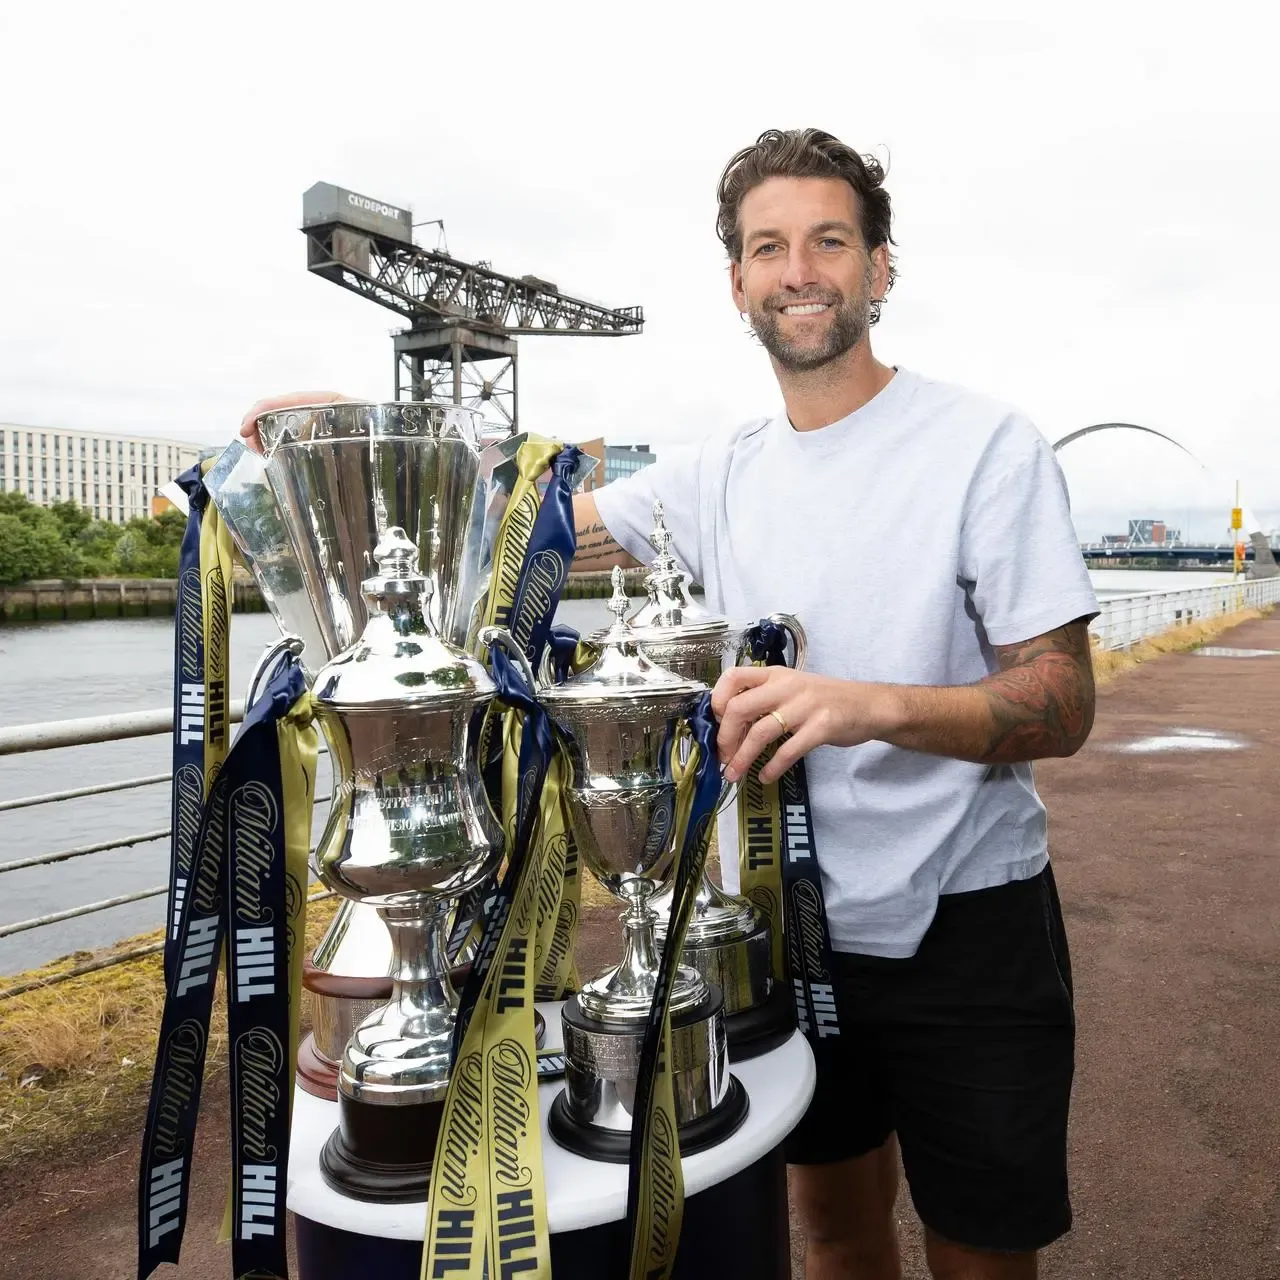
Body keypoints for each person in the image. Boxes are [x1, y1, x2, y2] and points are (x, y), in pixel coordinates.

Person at [240, 127, 1098, 1280]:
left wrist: (862, 705)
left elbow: (1059, 700)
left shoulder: (986, 447)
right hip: (787, 932)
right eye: (768, 247)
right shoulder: (716, 471)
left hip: (970, 929)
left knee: (978, 1250)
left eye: (829, 240)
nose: (799, 269)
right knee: (836, 1230)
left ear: (879, 268)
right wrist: (362, 438)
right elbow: (514, 528)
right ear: (737, 282)